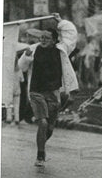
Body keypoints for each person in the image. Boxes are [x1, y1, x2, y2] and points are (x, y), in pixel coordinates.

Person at [18, 28, 79, 166]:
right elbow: (21, 67)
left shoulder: (61, 50)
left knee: (50, 128)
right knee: (43, 123)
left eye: (46, 38)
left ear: (54, 40)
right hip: (36, 91)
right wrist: (26, 57)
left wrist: (60, 22)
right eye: (42, 37)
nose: (43, 40)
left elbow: (71, 35)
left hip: (54, 92)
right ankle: (40, 155)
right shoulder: (33, 49)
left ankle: (41, 145)